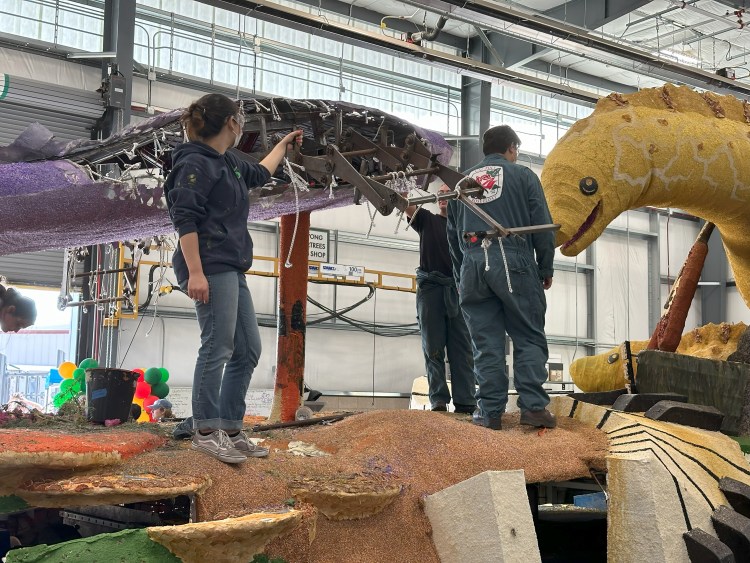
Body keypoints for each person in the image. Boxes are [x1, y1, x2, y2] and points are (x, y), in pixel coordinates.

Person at [165, 93, 302, 464]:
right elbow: (185, 218)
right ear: (231, 123)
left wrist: (284, 146)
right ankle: (206, 431)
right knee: (217, 346)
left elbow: (261, 171)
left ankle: (229, 428)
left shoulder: (228, 162)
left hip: (229, 264)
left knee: (247, 349)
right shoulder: (194, 162)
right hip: (208, 264)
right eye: (241, 118)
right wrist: (195, 272)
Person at [446, 125, 556, 431]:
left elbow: (453, 237)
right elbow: (543, 225)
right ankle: (533, 406)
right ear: (512, 147)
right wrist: (545, 268)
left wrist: (460, 277)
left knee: (486, 343)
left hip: (471, 264)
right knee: (528, 333)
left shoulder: (462, 183)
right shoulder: (523, 176)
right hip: (512, 259)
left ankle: (489, 412)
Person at [405, 184, 476, 414]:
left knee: (462, 349)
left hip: (458, 290)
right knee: (433, 347)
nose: (443, 196)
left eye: (449, 192)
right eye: (441, 193)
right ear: (437, 199)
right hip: (431, 289)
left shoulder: (466, 229)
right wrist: (399, 189)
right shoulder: (427, 219)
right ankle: (438, 400)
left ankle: (465, 401)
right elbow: (404, 204)